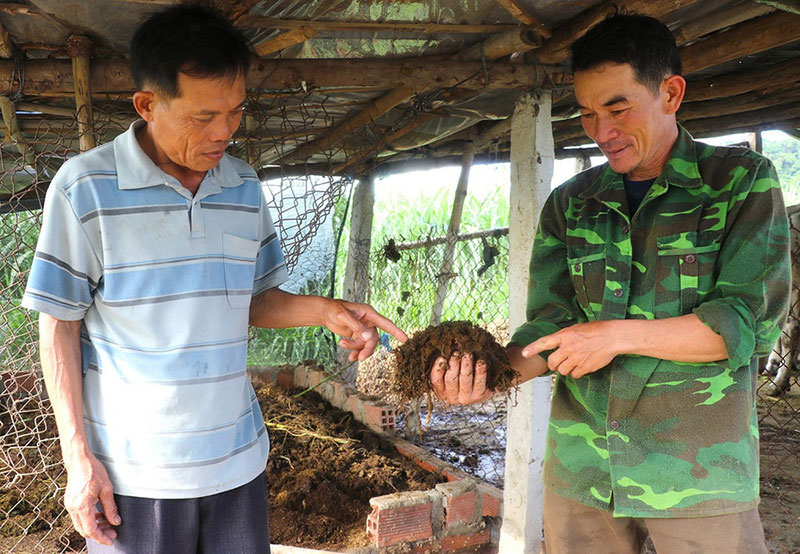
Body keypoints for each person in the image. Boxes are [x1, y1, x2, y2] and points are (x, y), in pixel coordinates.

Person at [22, 5, 407, 553]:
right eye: (203, 116)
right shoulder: (84, 190)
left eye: (235, 111)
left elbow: (253, 300)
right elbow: (56, 326)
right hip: (134, 479)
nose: (224, 132)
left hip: (236, 466)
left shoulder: (243, 185)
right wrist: (77, 459)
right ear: (147, 105)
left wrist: (327, 310)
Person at [430, 13, 790, 554]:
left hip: (697, 477)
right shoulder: (571, 203)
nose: (602, 132)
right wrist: (488, 376)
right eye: (589, 114)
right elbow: (552, 329)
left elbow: (743, 328)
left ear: (671, 93)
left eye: (618, 108)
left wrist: (614, 336)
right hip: (584, 473)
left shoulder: (739, 182)